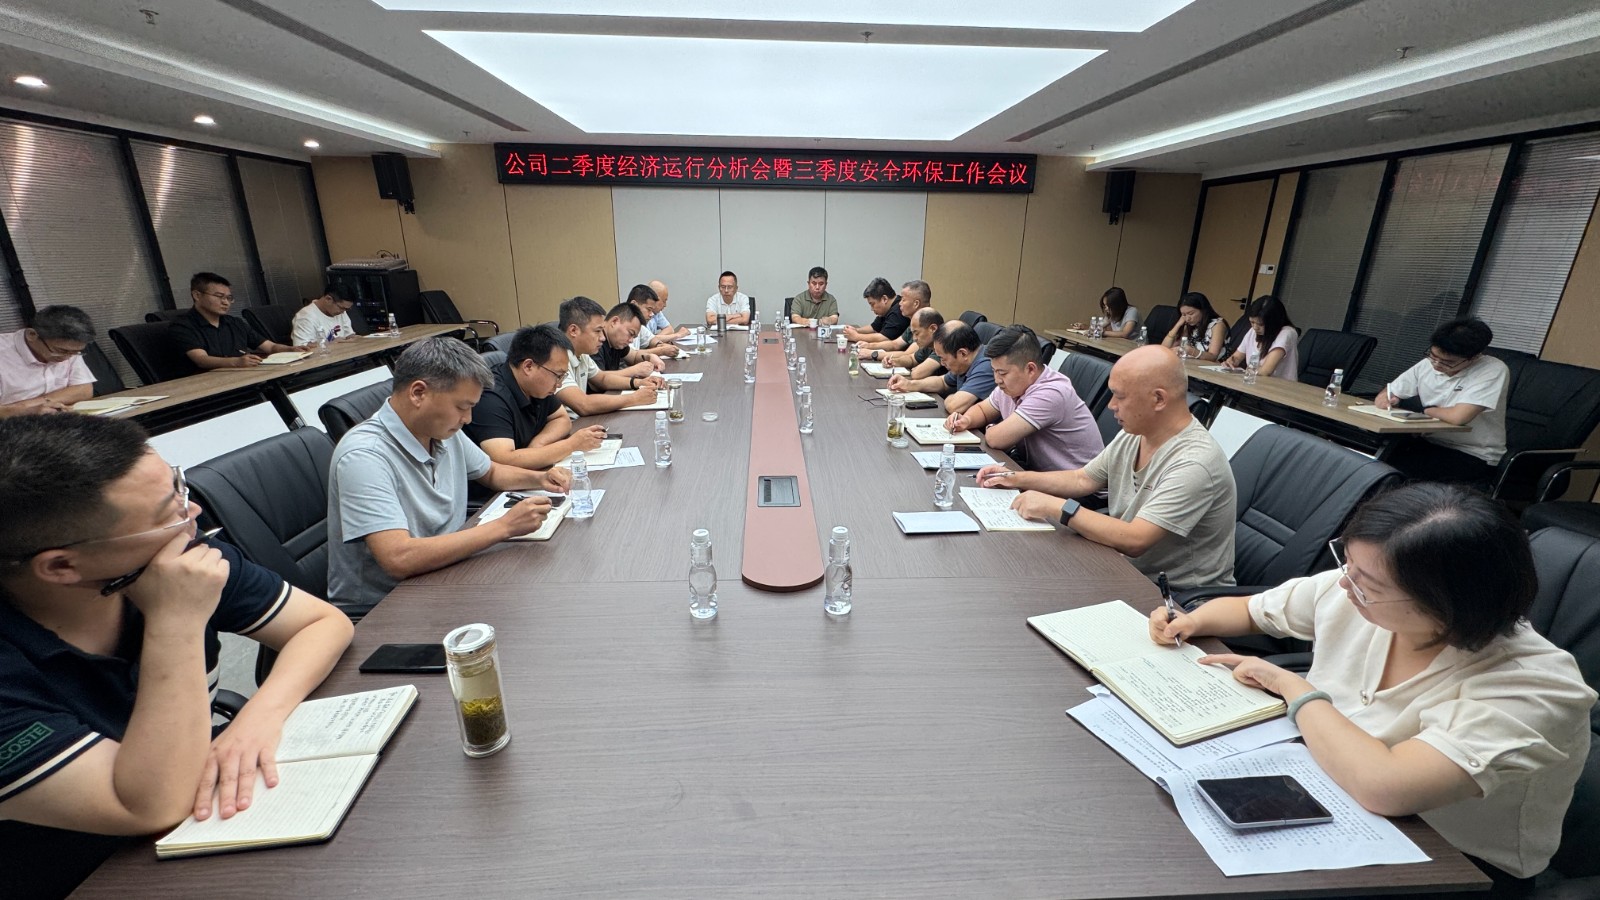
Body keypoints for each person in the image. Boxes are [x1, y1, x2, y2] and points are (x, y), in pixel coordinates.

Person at [1152, 482, 1594, 887]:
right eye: (1347, 564)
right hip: (1326, 788)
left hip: (1451, 864)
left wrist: (1296, 690)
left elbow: (1386, 787)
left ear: (1447, 602)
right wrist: (1191, 620)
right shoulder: (1360, 590)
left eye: (1367, 583)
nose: (1345, 583)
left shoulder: (1536, 686)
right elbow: (1253, 610)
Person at [0, 414, 353, 899]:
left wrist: (257, 718)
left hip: (206, 830)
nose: (194, 513)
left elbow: (322, 623)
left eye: (179, 487)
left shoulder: (173, 556)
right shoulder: (174, 580)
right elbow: (149, 806)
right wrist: (176, 620)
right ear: (61, 566)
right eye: (169, 510)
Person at [325, 338, 566, 615]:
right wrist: (504, 527)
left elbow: (491, 472)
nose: (468, 418)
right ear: (418, 393)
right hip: (386, 606)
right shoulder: (364, 456)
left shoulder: (440, 430)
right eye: (462, 407)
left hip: (448, 571)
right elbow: (398, 557)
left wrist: (540, 479)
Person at [979, 345, 1235, 590]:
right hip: (1122, 567)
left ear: (1158, 399)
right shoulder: (1137, 432)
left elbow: (1135, 539)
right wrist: (1016, 478)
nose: (1111, 405)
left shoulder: (1194, 462)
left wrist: (1056, 507)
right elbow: (1082, 479)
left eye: (1120, 396)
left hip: (1174, 597)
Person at [948, 325, 1103, 472]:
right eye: (994, 371)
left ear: (1030, 369)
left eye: (1002, 373)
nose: (997, 379)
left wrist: (990, 428)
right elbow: (982, 409)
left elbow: (996, 439)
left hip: (1075, 484)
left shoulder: (1051, 393)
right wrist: (966, 420)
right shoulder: (1012, 385)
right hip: (1037, 472)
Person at [1375, 318, 1510, 486]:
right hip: (1430, 443)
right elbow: (1391, 391)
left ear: (1474, 357)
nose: (1437, 365)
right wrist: (1386, 398)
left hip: (1472, 453)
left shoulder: (1493, 370)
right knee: (1373, 461)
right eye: (1433, 356)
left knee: (1394, 473)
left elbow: (1458, 417)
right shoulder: (1428, 364)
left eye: (1448, 362)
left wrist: (1427, 411)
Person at [464, 324, 604, 475]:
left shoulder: (538, 386)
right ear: (528, 366)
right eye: (558, 375)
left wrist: (538, 444)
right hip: (498, 488)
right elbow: (504, 461)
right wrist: (571, 445)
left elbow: (561, 418)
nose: (559, 384)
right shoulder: (491, 397)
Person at [170, 272, 308, 370]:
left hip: (243, 379)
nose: (225, 302)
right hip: (206, 387)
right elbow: (201, 360)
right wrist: (236, 362)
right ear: (197, 295)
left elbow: (270, 347)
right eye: (219, 296)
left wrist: (291, 349)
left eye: (229, 298)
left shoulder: (235, 323)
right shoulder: (182, 326)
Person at [554, 296, 663, 418]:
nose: (602, 337)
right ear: (573, 330)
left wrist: (639, 382)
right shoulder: (555, 358)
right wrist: (634, 398)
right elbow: (583, 404)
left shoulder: (582, 354)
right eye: (597, 331)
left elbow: (602, 378)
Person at [0, 305, 96, 416]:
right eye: (60, 351)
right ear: (32, 335)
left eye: (75, 352)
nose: (67, 357)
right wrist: (23, 410)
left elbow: (84, 390)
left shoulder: (70, 350)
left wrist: (38, 404)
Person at [888, 321, 994, 417]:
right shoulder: (965, 362)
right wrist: (909, 384)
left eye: (943, 358)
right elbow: (942, 382)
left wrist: (949, 398)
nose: (942, 363)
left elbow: (954, 406)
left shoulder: (987, 366)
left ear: (962, 353)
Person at [1223, 295, 1299, 381]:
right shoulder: (1253, 331)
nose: (1255, 327)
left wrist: (1245, 372)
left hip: (1278, 386)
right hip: (1254, 382)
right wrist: (1230, 362)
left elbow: (1265, 371)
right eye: (1252, 322)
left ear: (1274, 322)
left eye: (1261, 324)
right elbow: (1237, 357)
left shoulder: (1287, 333)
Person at [853, 280, 930, 354]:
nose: (900, 303)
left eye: (903, 300)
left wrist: (872, 354)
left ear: (916, 304)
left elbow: (909, 356)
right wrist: (869, 345)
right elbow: (895, 344)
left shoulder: (927, 326)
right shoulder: (913, 324)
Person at [593, 302, 667, 376]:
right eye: (630, 333)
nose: (631, 340)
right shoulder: (595, 343)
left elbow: (634, 356)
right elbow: (599, 378)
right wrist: (634, 371)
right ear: (614, 321)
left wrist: (650, 357)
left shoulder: (615, 342)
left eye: (634, 337)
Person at [871, 307, 945, 373]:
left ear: (933, 329)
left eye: (917, 333)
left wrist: (916, 370)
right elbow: (912, 359)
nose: (914, 339)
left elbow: (917, 373)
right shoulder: (928, 345)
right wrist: (894, 361)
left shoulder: (943, 345)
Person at [1161, 292, 1229, 361]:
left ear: (1203, 310)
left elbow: (1213, 357)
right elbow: (1164, 349)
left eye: (1191, 313)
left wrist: (1190, 351)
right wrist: (1178, 325)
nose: (1187, 318)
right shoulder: (1189, 324)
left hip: (1213, 365)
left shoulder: (1217, 325)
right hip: (1193, 364)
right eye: (1184, 315)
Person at [840, 277, 909, 345]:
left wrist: (856, 336)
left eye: (872, 304)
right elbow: (873, 327)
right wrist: (856, 330)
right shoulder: (886, 309)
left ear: (884, 299)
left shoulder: (899, 311)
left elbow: (885, 337)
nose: (872, 309)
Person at [290, 283, 358, 347]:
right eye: (341, 308)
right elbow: (300, 347)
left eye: (346, 309)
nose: (343, 312)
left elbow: (349, 335)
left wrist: (358, 338)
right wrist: (329, 343)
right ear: (328, 299)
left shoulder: (341, 311)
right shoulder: (305, 317)